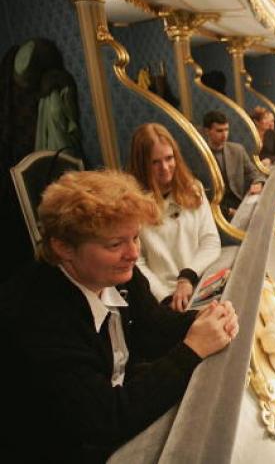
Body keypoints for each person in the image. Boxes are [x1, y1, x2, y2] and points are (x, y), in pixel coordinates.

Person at [0, 170, 239, 462]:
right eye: (115, 245)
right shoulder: (38, 317)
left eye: (136, 237)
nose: (133, 253)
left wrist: (204, 319)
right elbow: (106, 420)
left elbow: (152, 327)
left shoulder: (117, 272)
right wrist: (191, 351)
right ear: (63, 248)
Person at [129, 123, 221, 309]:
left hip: (199, 283)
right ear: (141, 165)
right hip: (162, 299)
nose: (165, 167)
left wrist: (187, 278)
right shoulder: (132, 203)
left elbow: (210, 242)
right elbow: (136, 262)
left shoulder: (194, 189)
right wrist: (165, 297)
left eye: (169, 158)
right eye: (155, 162)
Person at [201, 111, 265, 219]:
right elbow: (203, 196)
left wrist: (258, 183)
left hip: (239, 202)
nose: (224, 135)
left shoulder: (237, 150)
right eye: (219, 131)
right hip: (216, 209)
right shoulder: (200, 156)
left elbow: (254, 173)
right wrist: (228, 212)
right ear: (207, 131)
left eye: (226, 130)